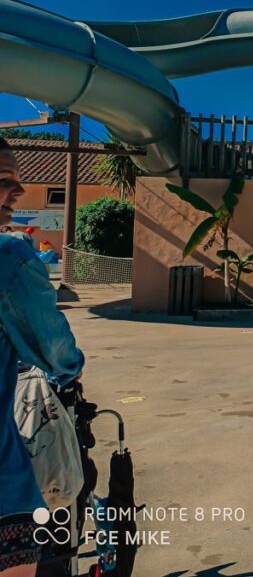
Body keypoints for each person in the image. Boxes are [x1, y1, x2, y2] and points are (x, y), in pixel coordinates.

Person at [0, 138, 85, 576]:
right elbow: (54, 350)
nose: (17, 192)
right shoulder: (9, 256)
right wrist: (69, 368)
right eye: (3, 181)